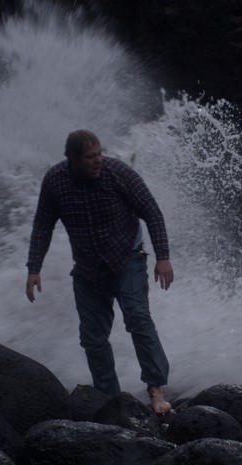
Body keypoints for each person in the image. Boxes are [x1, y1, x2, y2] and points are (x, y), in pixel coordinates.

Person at [25, 129, 174, 415]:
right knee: (93, 338)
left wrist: (163, 257)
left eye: (100, 155)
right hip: (88, 268)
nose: (98, 162)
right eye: (91, 158)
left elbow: (152, 212)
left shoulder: (118, 174)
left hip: (127, 259)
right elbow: (42, 225)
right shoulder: (55, 181)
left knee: (138, 318)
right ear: (72, 159)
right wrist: (34, 269)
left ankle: (155, 388)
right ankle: (109, 399)